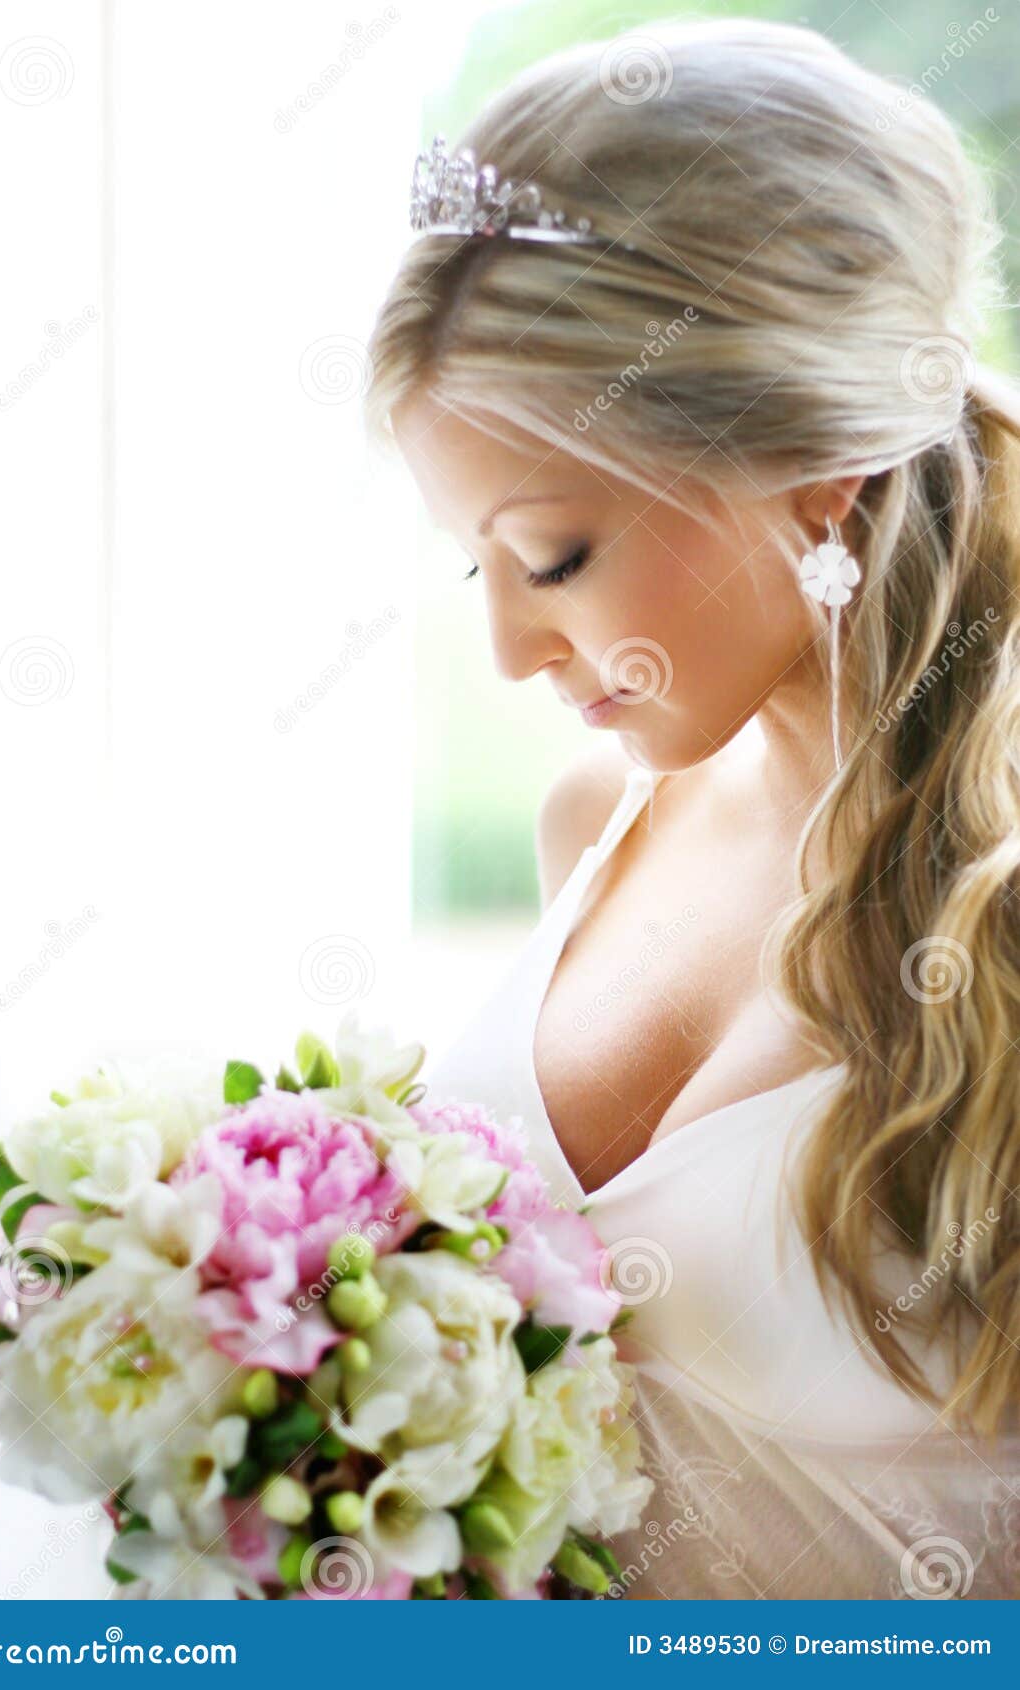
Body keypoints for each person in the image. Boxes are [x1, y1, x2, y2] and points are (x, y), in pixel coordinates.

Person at [364, 17, 1020, 1597]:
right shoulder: (595, 820)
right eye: (478, 567)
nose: (515, 650)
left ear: (819, 455)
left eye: (556, 557)